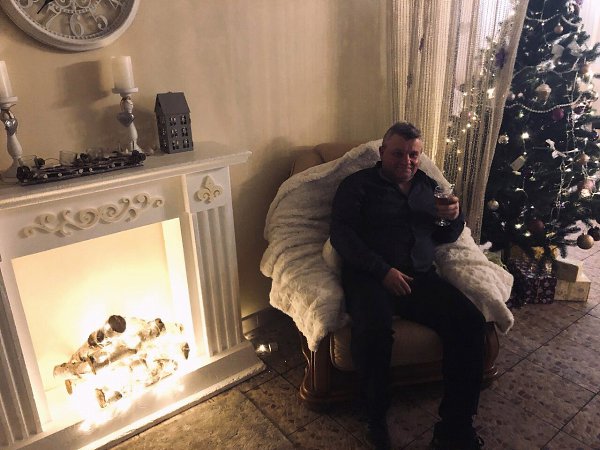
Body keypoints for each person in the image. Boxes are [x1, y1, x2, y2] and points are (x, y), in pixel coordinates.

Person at [330, 122, 486, 450]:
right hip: (370, 276)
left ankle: (455, 428)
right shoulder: (357, 185)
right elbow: (341, 235)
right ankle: (375, 417)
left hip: (419, 277)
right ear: (382, 152)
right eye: (398, 153)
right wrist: (382, 270)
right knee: (372, 333)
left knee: (471, 323)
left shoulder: (428, 187)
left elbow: (444, 235)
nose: (407, 161)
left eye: (414, 154)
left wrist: (453, 218)